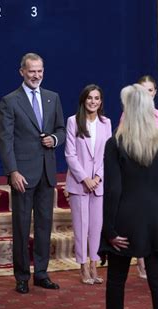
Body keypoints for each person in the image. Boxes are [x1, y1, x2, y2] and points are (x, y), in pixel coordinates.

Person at [99, 84, 158, 309]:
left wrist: (109, 230)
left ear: (127, 109)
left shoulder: (116, 144)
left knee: (116, 283)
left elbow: (113, 190)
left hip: (125, 220)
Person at [0, 52, 66, 294]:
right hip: (23, 175)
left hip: (47, 173)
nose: (36, 75)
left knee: (45, 226)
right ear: (22, 72)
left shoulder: (52, 97)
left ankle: (41, 273)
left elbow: (62, 129)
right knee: (21, 226)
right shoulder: (10, 101)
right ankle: (22, 277)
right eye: (32, 71)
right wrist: (13, 171)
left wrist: (55, 139)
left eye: (40, 71)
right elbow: (5, 140)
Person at [65, 84, 112, 285]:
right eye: (90, 98)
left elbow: (107, 154)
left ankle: (94, 263)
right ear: (84, 100)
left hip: (99, 184)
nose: (93, 101)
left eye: (97, 98)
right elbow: (70, 154)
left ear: (101, 102)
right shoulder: (73, 121)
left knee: (96, 227)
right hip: (79, 183)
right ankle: (82, 266)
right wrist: (85, 178)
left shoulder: (106, 123)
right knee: (81, 227)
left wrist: (98, 178)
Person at [135, 75, 158, 279]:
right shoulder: (128, 116)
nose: (146, 94)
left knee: (155, 220)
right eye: (142, 90)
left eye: (150, 90)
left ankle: (154, 261)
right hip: (137, 175)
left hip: (156, 177)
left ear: (155, 92)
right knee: (139, 221)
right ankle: (140, 262)